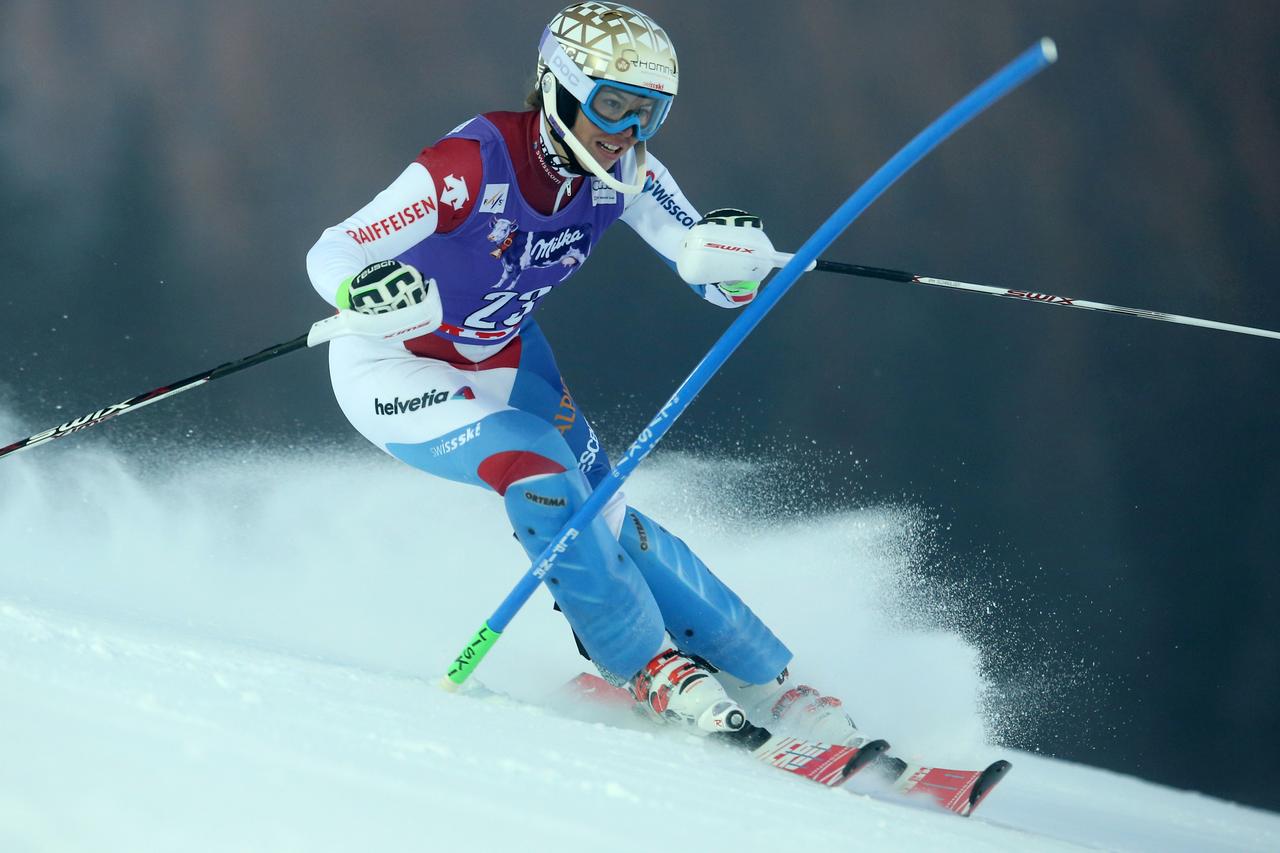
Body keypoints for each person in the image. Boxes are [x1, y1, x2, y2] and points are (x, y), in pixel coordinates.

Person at [306, 2, 865, 747]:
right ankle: (645, 665)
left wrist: (733, 263)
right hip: (393, 367)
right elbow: (334, 247)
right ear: (559, 88)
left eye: (649, 114)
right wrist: (361, 289)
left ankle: (767, 679)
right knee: (539, 469)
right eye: (612, 106)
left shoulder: (628, 174)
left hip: (505, 355)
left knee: (603, 512)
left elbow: (700, 262)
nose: (628, 131)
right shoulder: (472, 164)